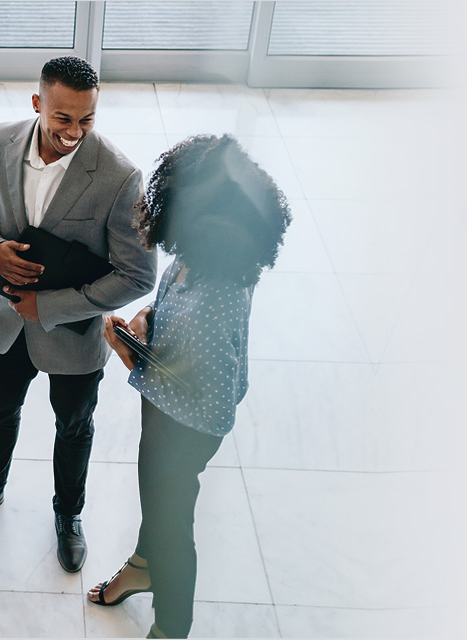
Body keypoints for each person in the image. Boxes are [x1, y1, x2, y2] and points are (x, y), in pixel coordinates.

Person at [0, 56, 157, 574]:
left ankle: (68, 515)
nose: (74, 132)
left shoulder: (121, 177)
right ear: (37, 104)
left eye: (87, 120)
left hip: (74, 338)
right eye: (62, 119)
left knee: (74, 429)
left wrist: (51, 306)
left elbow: (137, 276)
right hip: (3, 324)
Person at [85, 134, 292, 639]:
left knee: (173, 527)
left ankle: (171, 628)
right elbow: (174, 315)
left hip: (185, 430)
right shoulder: (202, 256)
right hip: (165, 415)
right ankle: (141, 564)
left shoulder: (221, 290)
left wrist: (131, 356)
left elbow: (214, 400)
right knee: (158, 505)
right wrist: (148, 323)